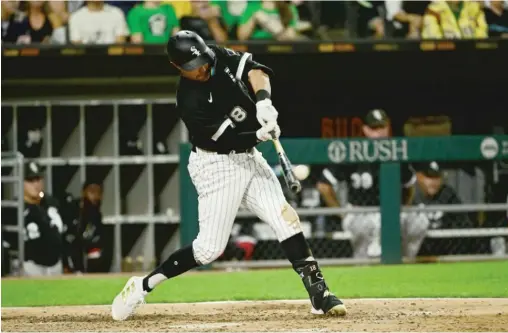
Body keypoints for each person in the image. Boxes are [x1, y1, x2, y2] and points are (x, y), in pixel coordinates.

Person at [111, 30, 347, 320]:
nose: (201, 68)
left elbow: (256, 71)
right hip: (216, 166)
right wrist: (260, 134)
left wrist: (264, 102)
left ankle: (319, 292)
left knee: (285, 217)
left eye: (201, 61)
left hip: (248, 157)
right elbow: (224, 142)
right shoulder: (189, 101)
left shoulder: (215, 56)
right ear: (177, 67)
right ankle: (143, 286)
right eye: (192, 66)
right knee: (209, 249)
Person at [316, 109, 429, 259]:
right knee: (367, 248)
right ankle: (363, 268)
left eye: (382, 127)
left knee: (419, 221)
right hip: (360, 212)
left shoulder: (396, 151)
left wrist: (403, 207)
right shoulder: (353, 151)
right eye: (374, 128)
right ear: (365, 130)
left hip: (391, 212)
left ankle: (407, 260)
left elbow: (410, 185)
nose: (379, 133)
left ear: (388, 128)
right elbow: (323, 186)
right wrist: (343, 214)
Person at [412, 161, 473, 255]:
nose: (434, 182)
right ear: (419, 176)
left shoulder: (448, 195)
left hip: (445, 250)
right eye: (429, 177)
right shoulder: (412, 195)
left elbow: (464, 224)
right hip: (417, 250)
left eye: (437, 177)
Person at [22, 161, 64, 276]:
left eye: (38, 179)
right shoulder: (16, 208)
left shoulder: (51, 202)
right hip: (30, 266)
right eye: (31, 180)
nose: (36, 184)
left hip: (55, 265)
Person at [62, 180, 107, 273]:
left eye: (98, 192)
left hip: (86, 260)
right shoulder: (72, 209)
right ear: (83, 192)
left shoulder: (96, 214)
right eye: (92, 191)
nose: (95, 196)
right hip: (67, 258)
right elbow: (66, 239)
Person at [422, 0, 488, 39]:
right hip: (443, 56)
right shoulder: (433, 11)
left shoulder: (475, 8)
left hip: (473, 55)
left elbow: (482, 37)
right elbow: (433, 39)